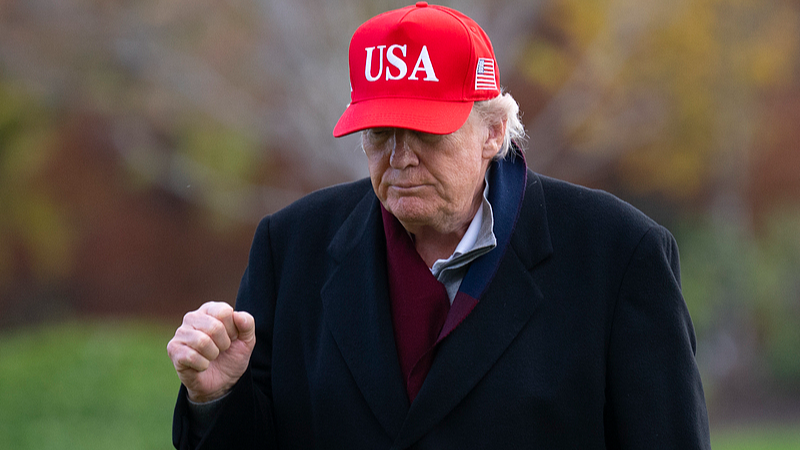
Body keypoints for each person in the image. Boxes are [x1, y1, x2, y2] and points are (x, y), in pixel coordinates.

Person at [167, 3, 711, 449]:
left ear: (494, 132)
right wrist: (216, 398)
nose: (400, 158)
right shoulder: (291, 248)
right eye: (380, 133)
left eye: (426, 131)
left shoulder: (617, 255)